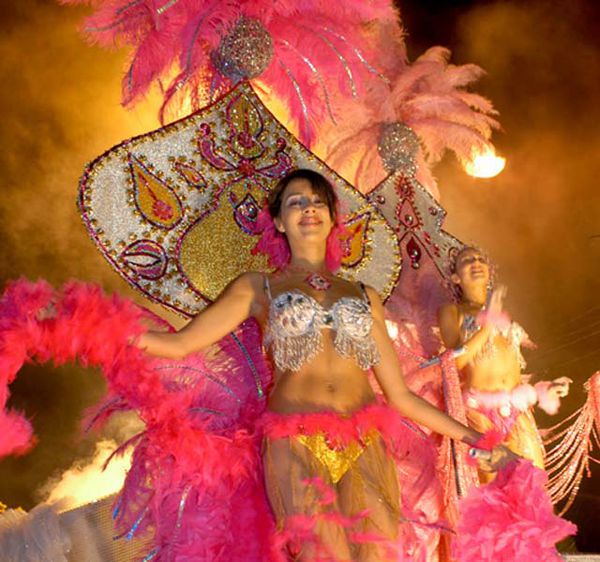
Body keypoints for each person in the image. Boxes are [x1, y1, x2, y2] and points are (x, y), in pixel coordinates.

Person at [138, 170, 508, 561]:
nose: (308, 209)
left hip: (365, 442)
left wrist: (477, 440)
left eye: (318, 202)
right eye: (295, 202)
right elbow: (177, 345)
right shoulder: (259, 287)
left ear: (333, 218)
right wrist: (94, 325)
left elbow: (399, 396)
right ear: (279, 222)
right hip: (295, 442)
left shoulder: (365, 295)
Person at [438, 246, 570, 483]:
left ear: (489, 273)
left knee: (534, 489)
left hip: (517, 413)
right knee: (494, 496)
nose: (476, 262)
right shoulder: (452, 312)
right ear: (456, 278)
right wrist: (487, 325)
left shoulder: (505, 316)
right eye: (467, 260)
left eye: (480, 259)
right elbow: (454, 361)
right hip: (480, 415)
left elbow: (514, 369)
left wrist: (546, 388)